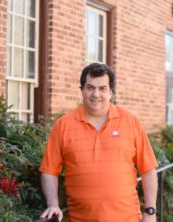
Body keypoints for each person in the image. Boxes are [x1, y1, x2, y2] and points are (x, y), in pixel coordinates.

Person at [39, 63, 158, 222]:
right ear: (82, 90)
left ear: (111, 92)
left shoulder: (131, 122)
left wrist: (150, 211)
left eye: (102, 88)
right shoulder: (63, 126)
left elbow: (148, 169)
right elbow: (49, 170)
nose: (96, 94)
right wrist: (53, 204)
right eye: (90, 88)